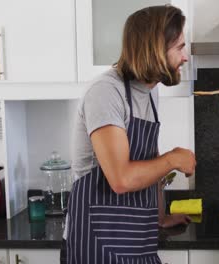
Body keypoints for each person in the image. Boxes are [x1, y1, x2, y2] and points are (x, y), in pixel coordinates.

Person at [63, 5, 196, 264]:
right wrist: (173, 159)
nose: (185, 57)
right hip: (96, 244)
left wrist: (160, 217)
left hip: (138, 240)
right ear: (156, 50)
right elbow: (121, 179)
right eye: (179, 47)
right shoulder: (106, 92)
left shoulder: (149, 91)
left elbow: (149, 158)